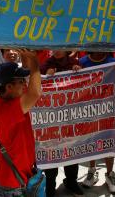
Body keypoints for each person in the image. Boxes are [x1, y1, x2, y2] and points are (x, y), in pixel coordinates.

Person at [0, 51, 42, 196]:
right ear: (9, 87)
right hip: (12, 186)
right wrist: (35, 64)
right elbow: (35, 93)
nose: (25, 84)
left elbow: (32, 87)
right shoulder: (6, 111)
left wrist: (26, 58)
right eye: (21, 81)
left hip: (20, 179)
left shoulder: (10, 97)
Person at [40, 51, 82, 196]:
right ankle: (50, 186)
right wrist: (46, 74)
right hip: (52, 119)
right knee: (52, 153)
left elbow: (84, 83)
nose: (57, 51)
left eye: (61, 48)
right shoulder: (45, 65)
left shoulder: (74, 62)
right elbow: (37, 82)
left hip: (70, 118)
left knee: (71, 151)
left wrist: (79, 71)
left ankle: (71, 181)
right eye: (55, 48)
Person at [77, 52, 115, 194]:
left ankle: (110, 174)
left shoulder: (112, 61)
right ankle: (92, 170)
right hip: (88, 108)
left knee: (108, 141)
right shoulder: (82, 61)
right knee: (91, 140)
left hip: (107, 108)